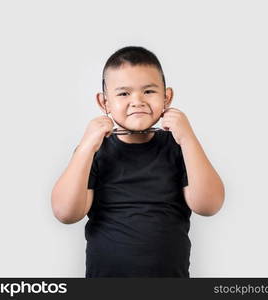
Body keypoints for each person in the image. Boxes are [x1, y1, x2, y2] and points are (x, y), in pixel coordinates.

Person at [51, 46, 225, 277]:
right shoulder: (94, 150)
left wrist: (188, 138)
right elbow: (66, 213)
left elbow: (209, 205)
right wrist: (85, 147)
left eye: (149, 91)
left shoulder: (179, 146)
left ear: (167, 97)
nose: (137, 101)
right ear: (105, 103)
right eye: (123, 94)